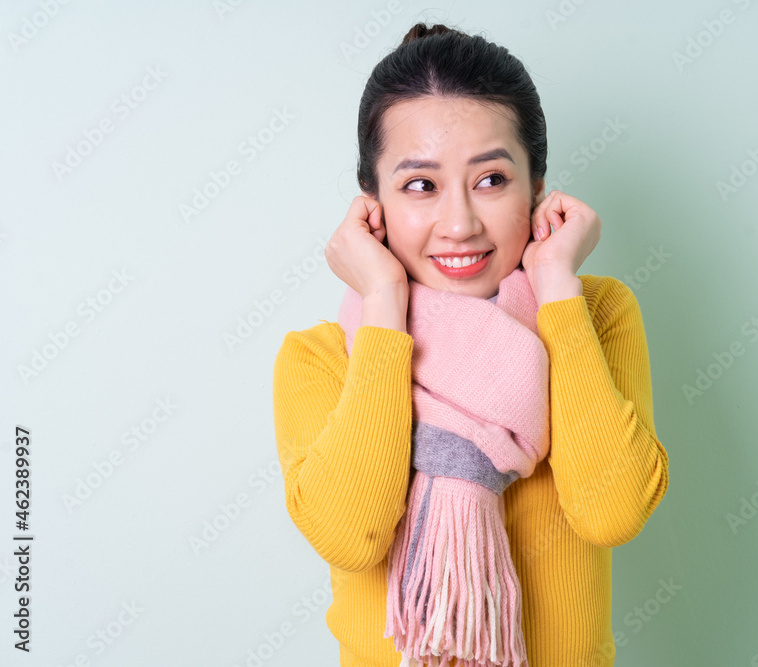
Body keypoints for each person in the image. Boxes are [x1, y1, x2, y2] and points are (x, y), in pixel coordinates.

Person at [272, 22, 669, 667]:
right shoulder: (322, 358)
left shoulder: (594, 315)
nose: (459, 224)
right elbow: (352, 535)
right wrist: (382, 307)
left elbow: (612, 511)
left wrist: (557, 288)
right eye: (420, 186)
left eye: (490, 180)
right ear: (372, 208)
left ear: (538, 189)